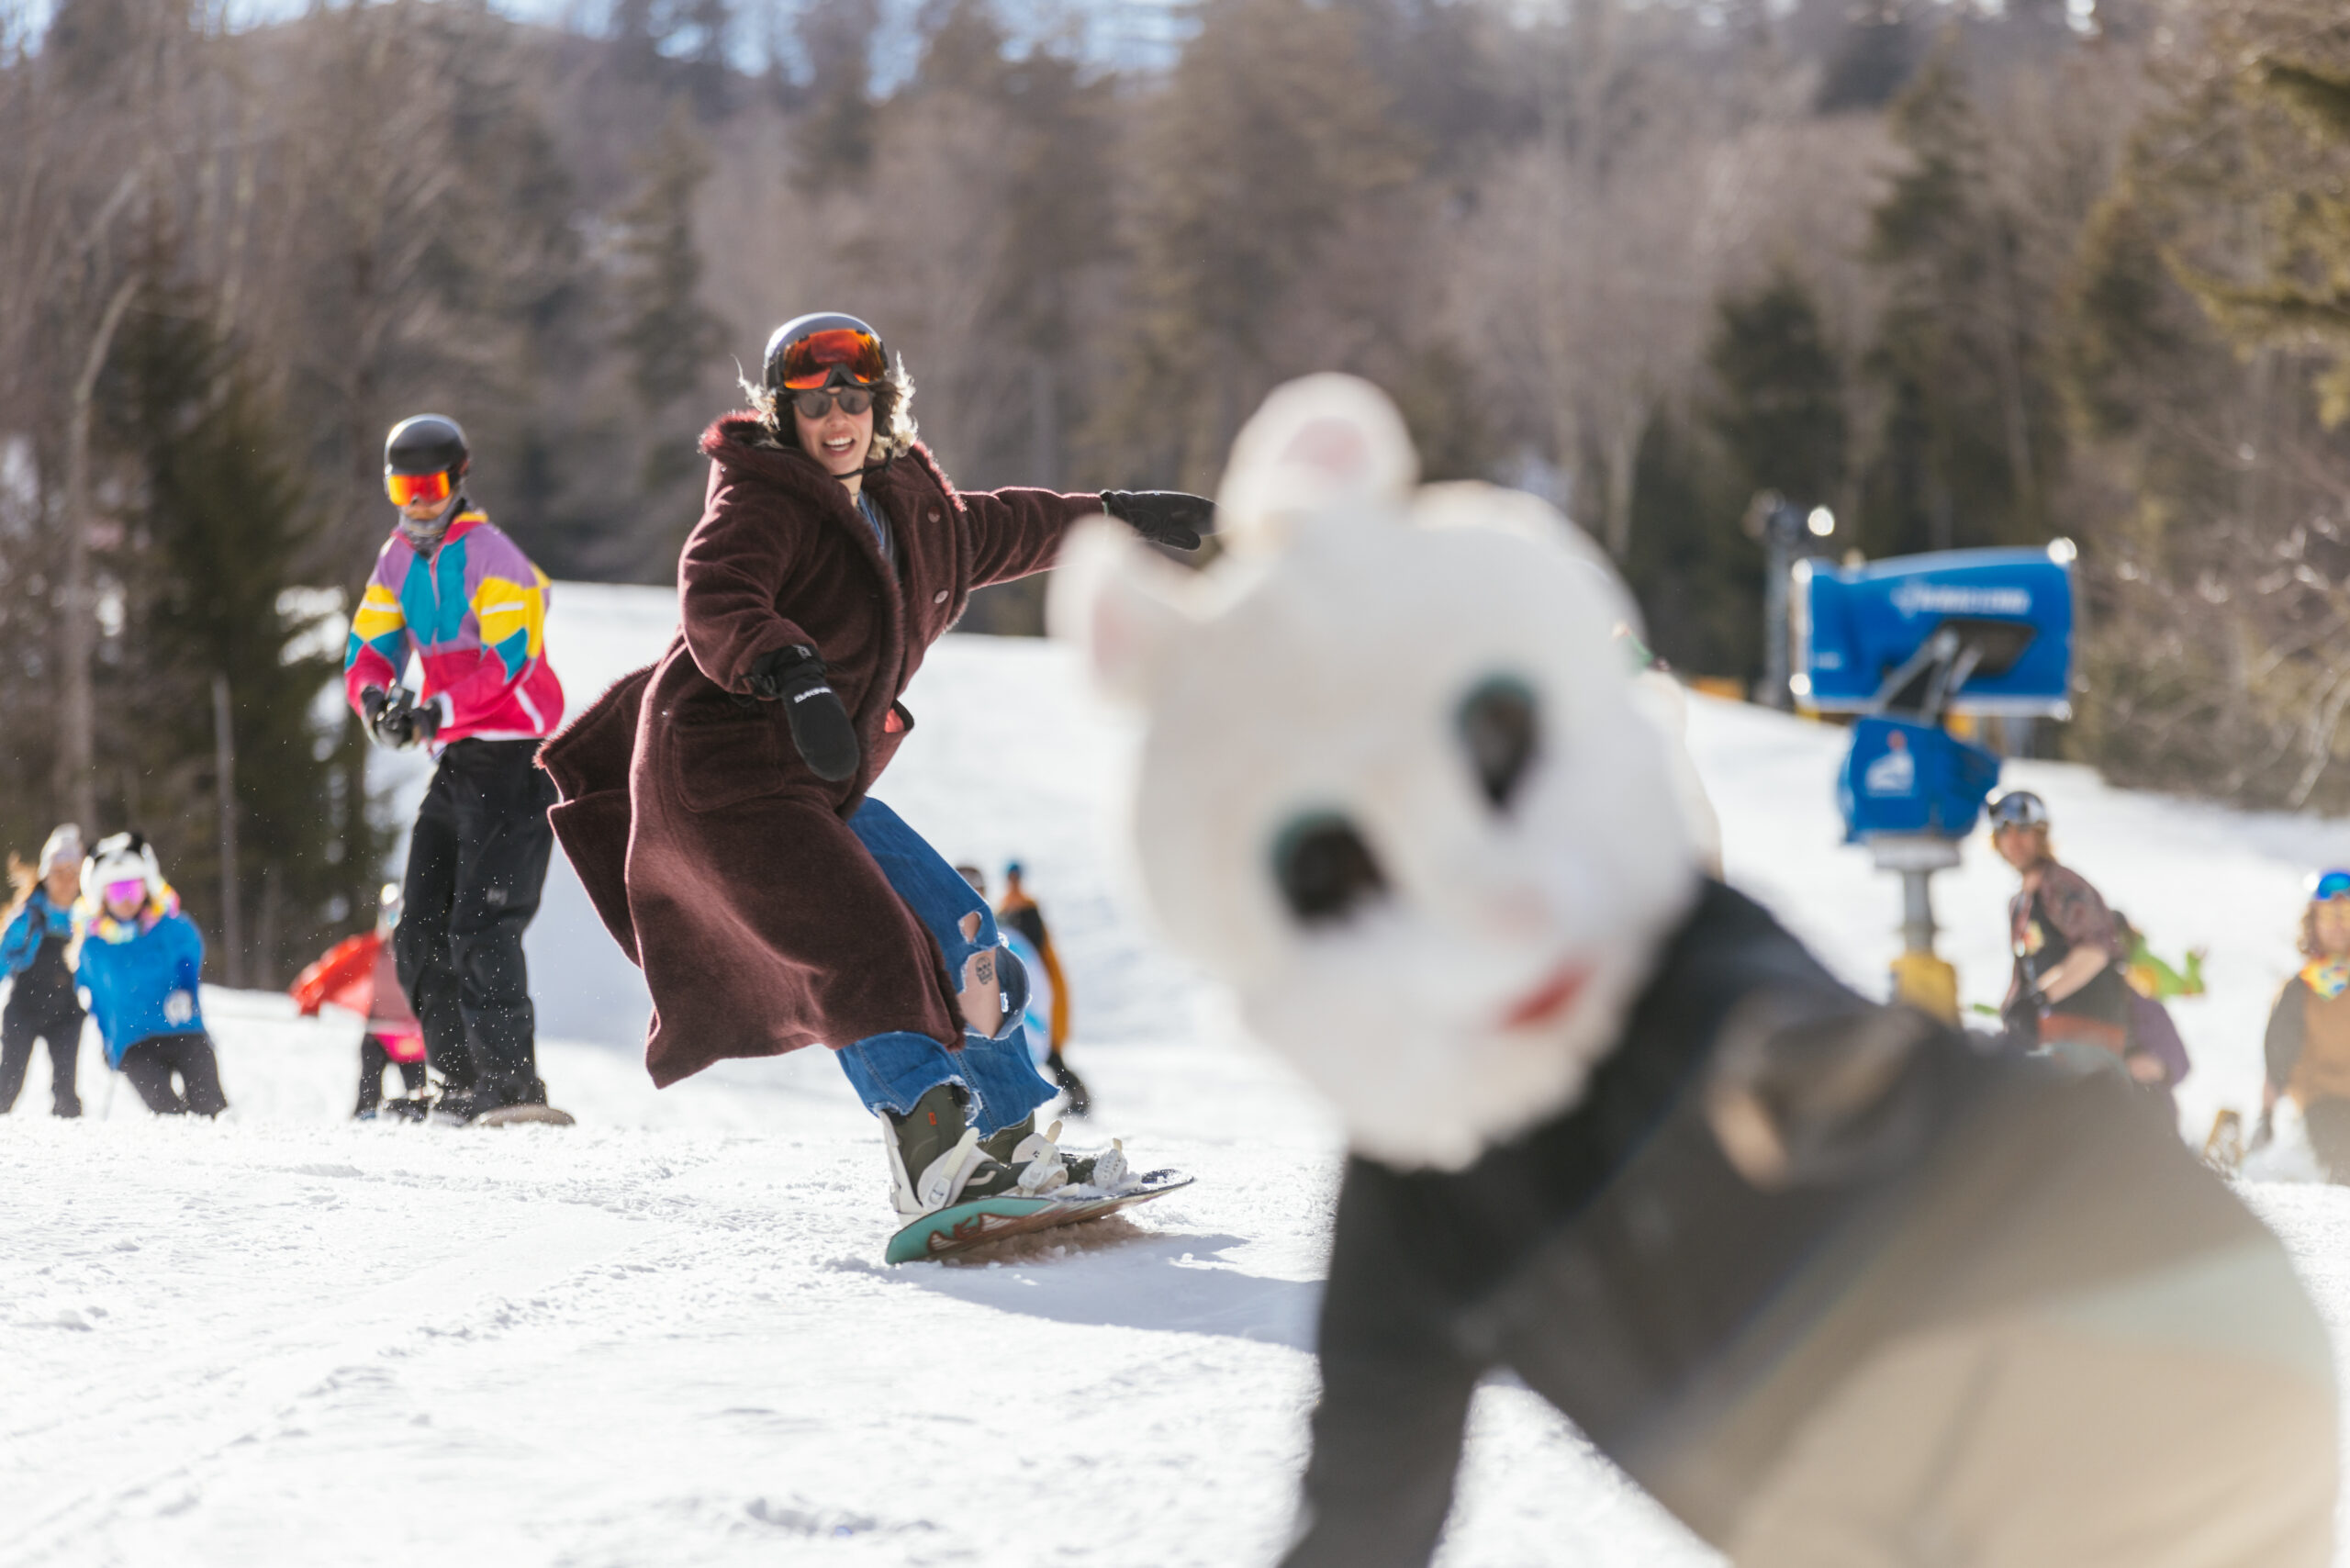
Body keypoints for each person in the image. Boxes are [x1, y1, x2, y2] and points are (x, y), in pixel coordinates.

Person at [1056, 373, 2334, 1568]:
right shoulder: (1424, 1184)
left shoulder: (1689, 972)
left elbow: (1804, 1052)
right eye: (1346, 879)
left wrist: (1805, 1083)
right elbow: (1364, 1497)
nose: (1485, 907)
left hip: (2161, 1357)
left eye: (1500, 762)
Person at [538, 311, 1208, 1218]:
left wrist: (1114, 517)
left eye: (853, 402)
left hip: (813, 784)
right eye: (813, 407)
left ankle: (1009, 1146)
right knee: (865, 947)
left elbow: (1005, 525)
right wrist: (787, 668)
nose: (836, 422)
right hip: (722, 779)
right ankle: (933, 1156)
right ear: (783, 417)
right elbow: (717, 589)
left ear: (881, 408)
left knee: (963, 927)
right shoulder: (762, 500)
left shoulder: (906, 513)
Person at [345, 414, 565, 1123]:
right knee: (417, 927)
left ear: (458, 481)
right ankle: (462, 1082)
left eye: (431, 487)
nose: (417, 503)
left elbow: (508, 662)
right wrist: (376, 702)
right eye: (402, 489)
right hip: (458, 759)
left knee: (481, 926)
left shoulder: (492, 556)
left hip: (513, 756)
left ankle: (512, 1085)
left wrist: (433, 711)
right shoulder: (396, 562)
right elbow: (369, 649)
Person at [1988, 790, 2173, 1089]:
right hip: (2049, 1035)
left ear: (2041, 835)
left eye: (2023, 831)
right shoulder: (2020, 903)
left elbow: (2095, 952)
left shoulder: (2061, 885)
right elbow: (2024, 972)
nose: (2014, 842)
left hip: (2088, 1032)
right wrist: (2014, 1008)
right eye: (2004, 834)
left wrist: (2039, 998)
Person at [74, 833, 227, 1117]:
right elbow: (97, 999)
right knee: (169, 1114)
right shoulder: (93, 947)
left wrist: (186, 991)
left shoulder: (171, 927)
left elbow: (187, 958)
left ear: (148, 887)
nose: (126, 900)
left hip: (183, 1030)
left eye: (133, 889)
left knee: (211, 1107)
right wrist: (107, 1041)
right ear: (101, 895)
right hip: (134, 1043)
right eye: (117, 891)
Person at [290, 883, 430, 1119]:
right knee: (369, 1084)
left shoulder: (421, 952)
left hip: (409, 1034)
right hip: (378, 1031)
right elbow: (333, 972)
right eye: (391, 916)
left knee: (417, 1088)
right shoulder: (371, 950)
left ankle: (421, 1115)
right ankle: (366, 1113)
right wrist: (311, 1001)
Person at [2261, 869, 2350, 1181]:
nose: (2338, 925)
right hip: (2322, 1101)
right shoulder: (2303, 987)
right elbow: (2279, 1050)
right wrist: (2267, 1113)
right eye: (2328, 916)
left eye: (2346, 915)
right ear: (2312, 923)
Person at [1, 824, 87, 1116]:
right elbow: (3, 956)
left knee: (66, 1094)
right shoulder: (28, 915)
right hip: (23, 1010)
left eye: (72, 873)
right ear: (45, 875)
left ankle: (71, 1141)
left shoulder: (87, 918)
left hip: (66, 1015)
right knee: (7, 1085)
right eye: (58, 872)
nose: (65, 881)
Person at [998, 861, 1090, 1114]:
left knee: (1050, 1050)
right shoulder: (1005, 908)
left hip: (1040, 988)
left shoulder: (1027, 909)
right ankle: (1076, 1096)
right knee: (1046, 1052)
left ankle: (1079, 1097)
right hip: (1029, 986)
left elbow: (1033, 944)